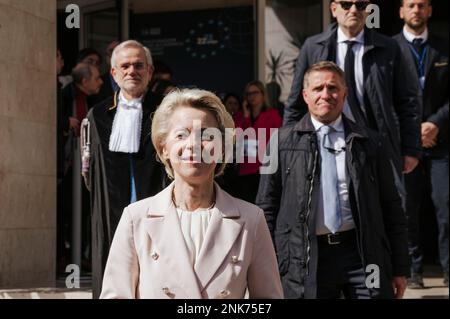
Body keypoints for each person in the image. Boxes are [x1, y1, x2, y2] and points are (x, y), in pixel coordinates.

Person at [100, 89, 283, 299]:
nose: (194, 145)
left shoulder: (251, 219)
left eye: (206, 135)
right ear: (163, 148)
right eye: (181, 135)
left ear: (222, 147)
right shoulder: (136, 218)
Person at [257, 62, 409, 299]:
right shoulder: (278, 143)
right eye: (318, 89)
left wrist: (400, 267)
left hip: (363, 258)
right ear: (305, 95)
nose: (325, 95)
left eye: (333, 88)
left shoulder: (371, 142)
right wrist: (268, 265)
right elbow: (266, 208)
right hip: (305, 261)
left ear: (345, 93)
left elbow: (392, 207)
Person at [283, 0, 422, 199]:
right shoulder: (313, 47)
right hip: (326, 143)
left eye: (361, 5)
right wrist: (291, 146)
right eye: (347, 4)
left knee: (390, 211)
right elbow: (296, 102)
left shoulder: (389, 48)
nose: (354, 10)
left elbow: (407, 101)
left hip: (377, 144)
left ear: (368, 10)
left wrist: (411, 148)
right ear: (334, 9)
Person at [84, 40, 165, 298]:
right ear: (114, 73)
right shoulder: (97, 115)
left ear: (150, 71)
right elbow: (90, 172)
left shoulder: (167, 110)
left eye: (139, 65)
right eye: (125, 66)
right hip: (112, 212)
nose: (132, 71)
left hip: (158, 209)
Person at [394, 0, 449, 288]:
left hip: (442, 142)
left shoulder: (444, 47)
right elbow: (383, 96)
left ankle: (448, 268)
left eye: (422, 5)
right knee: (407, 209)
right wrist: (413, 129)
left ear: (430, 11)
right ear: (401, 11)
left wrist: (436, 122)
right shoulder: (389, 49)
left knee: (446, 206)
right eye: (411, 5)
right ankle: (413, 270)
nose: (416, 10)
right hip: (406, 143)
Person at [234, 81, 282, 203]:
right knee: (247, 203)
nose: (252, 96)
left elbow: (279, 139)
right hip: (246, 167)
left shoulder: (273, 115)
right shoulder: (241, 116)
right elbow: (237, 136)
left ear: (262, 95)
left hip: (265, 166)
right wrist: (245, 116)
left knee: (264, 203)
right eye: (248, 94)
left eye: (255, 92)